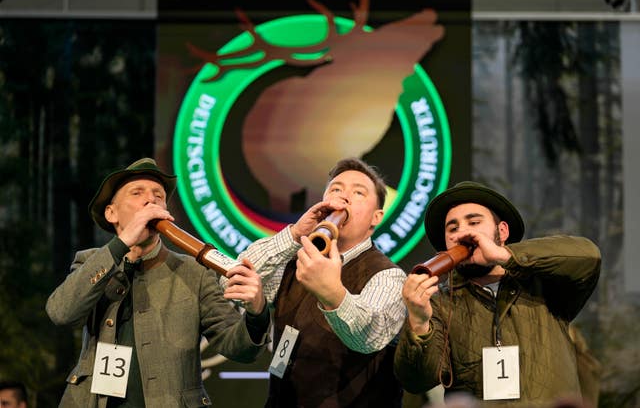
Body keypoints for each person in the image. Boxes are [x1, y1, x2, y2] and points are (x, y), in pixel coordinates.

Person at [46, 158, 270, 408]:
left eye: (158, 196)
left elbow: (238, 347)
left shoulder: (194, 272)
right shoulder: (91, 262)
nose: (150, 201)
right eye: (137, 193)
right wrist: (123, 243)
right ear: (112, 213)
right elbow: (61, 313)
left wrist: (256, 312)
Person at [394, 181, 601, 407]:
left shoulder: (544, 284)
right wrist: (419, 322)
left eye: (474, 222)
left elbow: (588, 256)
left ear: (502, 231)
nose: (463, 233)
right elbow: (415, 381)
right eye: (452, 229)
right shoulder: (439, 303)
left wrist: (505, 255)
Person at [234, 157, 407, 407]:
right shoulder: (295, 260)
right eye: (336, 189)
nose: (344, 197)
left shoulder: (387, 275)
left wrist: (333, 294)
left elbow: (369, 336)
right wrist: (295, 234)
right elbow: (238, 276)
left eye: (358, 193)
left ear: (376, 217)